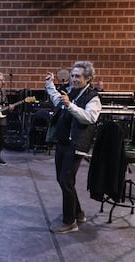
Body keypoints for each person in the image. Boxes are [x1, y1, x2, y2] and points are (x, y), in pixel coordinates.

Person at [45, 61, 102, 234]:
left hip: (75, 145)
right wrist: (49, 85)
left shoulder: (93, 97)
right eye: (72, 75)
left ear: (88, 78)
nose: (73, 79)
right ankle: (78, 212)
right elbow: (57, 100)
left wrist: (70, 105)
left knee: (66, 181)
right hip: (62, 143)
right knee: (64, 181)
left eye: (78, 76)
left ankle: (70, 222)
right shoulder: (70, 92)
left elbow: (89, 118)